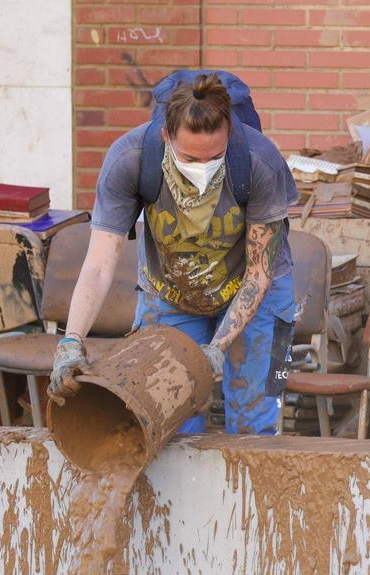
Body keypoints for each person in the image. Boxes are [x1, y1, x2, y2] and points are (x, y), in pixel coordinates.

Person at [47, 73, 299, 434]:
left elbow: (260, 273)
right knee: (165, 418)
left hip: (260, 292)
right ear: (166, 135)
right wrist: (71, 341)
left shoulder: (260, 160)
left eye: (215, 156)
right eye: (190, 157)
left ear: (230, 133)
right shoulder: (131, 158)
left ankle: (256, 464)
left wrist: (218, 346)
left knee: (255, 421)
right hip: (171, 291)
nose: (203, 168)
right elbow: (99, 264)